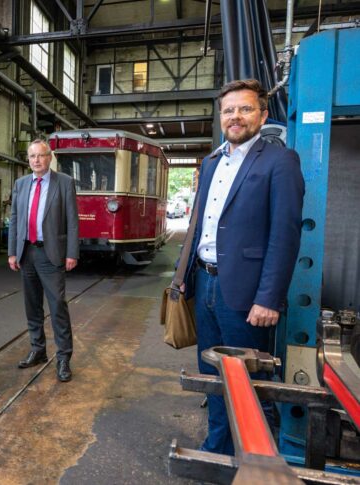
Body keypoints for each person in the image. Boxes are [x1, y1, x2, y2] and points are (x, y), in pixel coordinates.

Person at [179, 79, 305, 454]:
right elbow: (199, 226)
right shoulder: (212, 161)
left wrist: (269, 298)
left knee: (251, 383)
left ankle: (257, 462)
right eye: (228, 110)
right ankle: (218, 448)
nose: (236, 116)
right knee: (214, 377)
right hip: (206, 284)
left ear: (262, 115)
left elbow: (285, 236)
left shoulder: (280, 161)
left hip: (247, 293)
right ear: (221, 117)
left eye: (245, 109)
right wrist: (185, 277)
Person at [8, 139, 79, 382]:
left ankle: (63, 358)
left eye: (41, 155)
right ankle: (38, 349)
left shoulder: (65, 183)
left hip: (52, 253)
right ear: (28, 160)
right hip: (27, 252)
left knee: (58, 305)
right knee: (32, 306)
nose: (36, 160)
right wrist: (12, 251)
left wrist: (72, 252)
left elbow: (72, 220)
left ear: (50, 157)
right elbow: (15, 218)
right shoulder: (21, 184)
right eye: (32, 156)